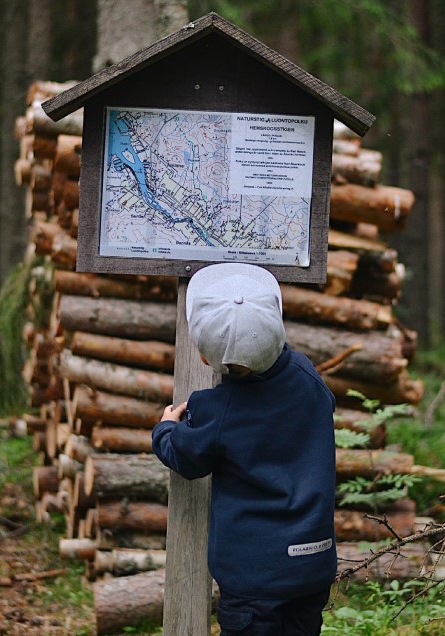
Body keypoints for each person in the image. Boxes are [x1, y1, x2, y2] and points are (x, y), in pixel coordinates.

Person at [152, 262, 336, 636]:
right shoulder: (308, 377)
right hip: (312, 565)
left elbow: (185, 457)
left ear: (205, 357)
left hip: (254, 583)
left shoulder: (218, 410)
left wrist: (166, 428)